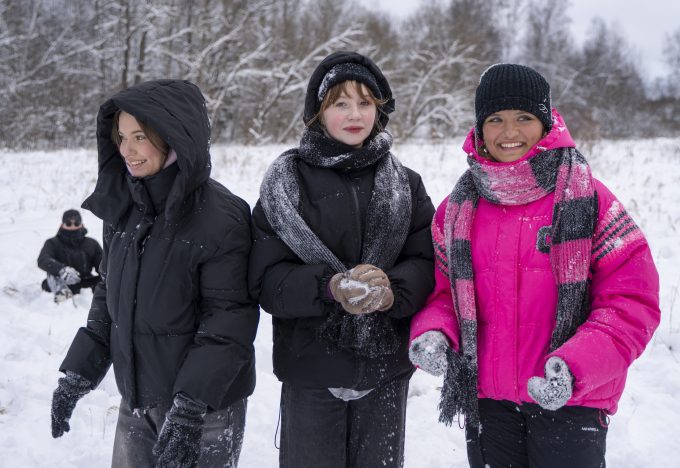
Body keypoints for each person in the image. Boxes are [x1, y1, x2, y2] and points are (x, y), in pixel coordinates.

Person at [408, 63, 661, 467]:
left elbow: (631, 303)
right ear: (480, 129)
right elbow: (441, 294)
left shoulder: (591, 202)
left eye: (524, 118)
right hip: (488, 403)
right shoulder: (455, 211)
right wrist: (435, 333)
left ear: (545, 123)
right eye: (496, 119)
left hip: (573, 402)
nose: (509, 132)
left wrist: (575, 367)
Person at [50, 79, 259, 468]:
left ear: (174, 137)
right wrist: (78, 373)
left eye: (140, 137)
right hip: (137, 400)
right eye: (121, 137)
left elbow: (229, 320)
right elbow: (109, 298)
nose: (126, 150)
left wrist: (190, 405)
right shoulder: (123, 208)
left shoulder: (222, 217)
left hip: (204, 411)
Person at [248, 51, 435, 468]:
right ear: (318, 111)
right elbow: (266, 280)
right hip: (311, 371)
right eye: (340, 103)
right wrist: (328, 287)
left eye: (365, 103)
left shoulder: (405, 185)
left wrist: (390, 292)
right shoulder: (286, 184)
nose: (354, 114)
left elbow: (427, 263)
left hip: (385, 370)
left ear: (379, 109)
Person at [38, 209, 102, 303]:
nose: (72, 226)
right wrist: (62, 270)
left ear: (82, 225)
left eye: (76, 223)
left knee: (105, 281)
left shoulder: (91, 243)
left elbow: (103, 265)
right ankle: (62, 301)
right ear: (62, 225)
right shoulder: (52, 243)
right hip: (61, 281)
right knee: (50, 280)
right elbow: (43, 259)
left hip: (85, 281)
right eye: (68, 223)